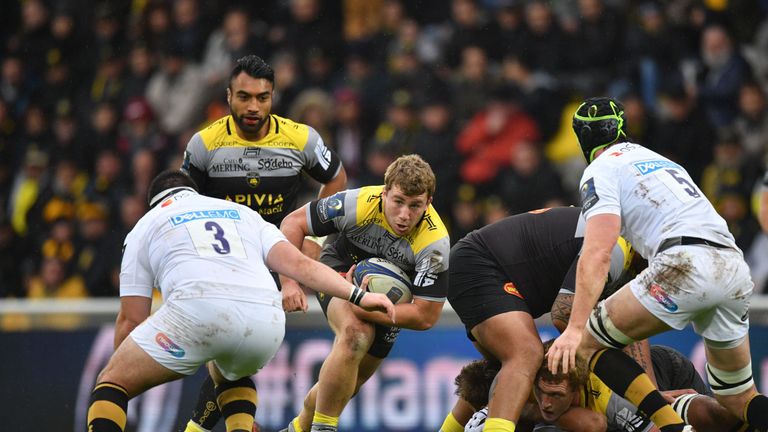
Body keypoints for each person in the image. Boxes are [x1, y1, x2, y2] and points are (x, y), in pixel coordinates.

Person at [85, 170, 395, 432]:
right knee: (231, 371)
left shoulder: (146, 225)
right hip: (266, 322)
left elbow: (132, 319)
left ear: (153, 203)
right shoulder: (243, 214)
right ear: (195, 192)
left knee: (112, 382)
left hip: (197, 311)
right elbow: (300, 266)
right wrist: (359, 295)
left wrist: (128, 372)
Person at [547, 97, 768, 432]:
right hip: (732, 266)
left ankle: (670, 427)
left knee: (586, 345)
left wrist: (576, 328)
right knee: (738, 399)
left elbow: (598, 251)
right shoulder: (663, 162)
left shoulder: (600, 168)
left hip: (683, 264)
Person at [181, 54, 347, 432]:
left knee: (232, 356)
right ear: (228, 96)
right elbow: (184, 202)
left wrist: (314, 234)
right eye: (244, 97)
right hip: (223, 259)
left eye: (262, 97)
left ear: (273, 97)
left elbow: (337, 180)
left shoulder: (301, 138)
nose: (253, 106)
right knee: (228, 353)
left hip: (276, 256)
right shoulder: (205, 145)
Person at [278, 154, 450, 432]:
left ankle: (297, 428)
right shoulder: (356, 203)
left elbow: (426, 316)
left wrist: (366, 306)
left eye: (415, 205)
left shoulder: (435, 244)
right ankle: (324, 428)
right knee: (357, 334)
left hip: (391, 304)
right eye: (398, 201)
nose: (405, 215)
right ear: (384, 193)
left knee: (347, 383)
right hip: (341, 272)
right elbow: (292, 224)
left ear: (428, 203)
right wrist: (289, 282)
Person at [441, 207, 645, 432]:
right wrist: (613, 370)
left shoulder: (620, 245)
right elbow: (563, 314)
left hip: (480, 264)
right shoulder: (615, 245)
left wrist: (648, 395)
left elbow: (627, 328)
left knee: (506, 374)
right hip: (480, 264)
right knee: (526, 354)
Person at [457, 343, 747, 432]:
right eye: (540, 393)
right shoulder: (518, 388)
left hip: (659, 372)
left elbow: (593, 423)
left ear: (577, 390)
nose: (545, 402)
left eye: (555, 396)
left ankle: (751, 412)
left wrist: (652, 399)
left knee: (711, 417)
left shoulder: (605, 392)